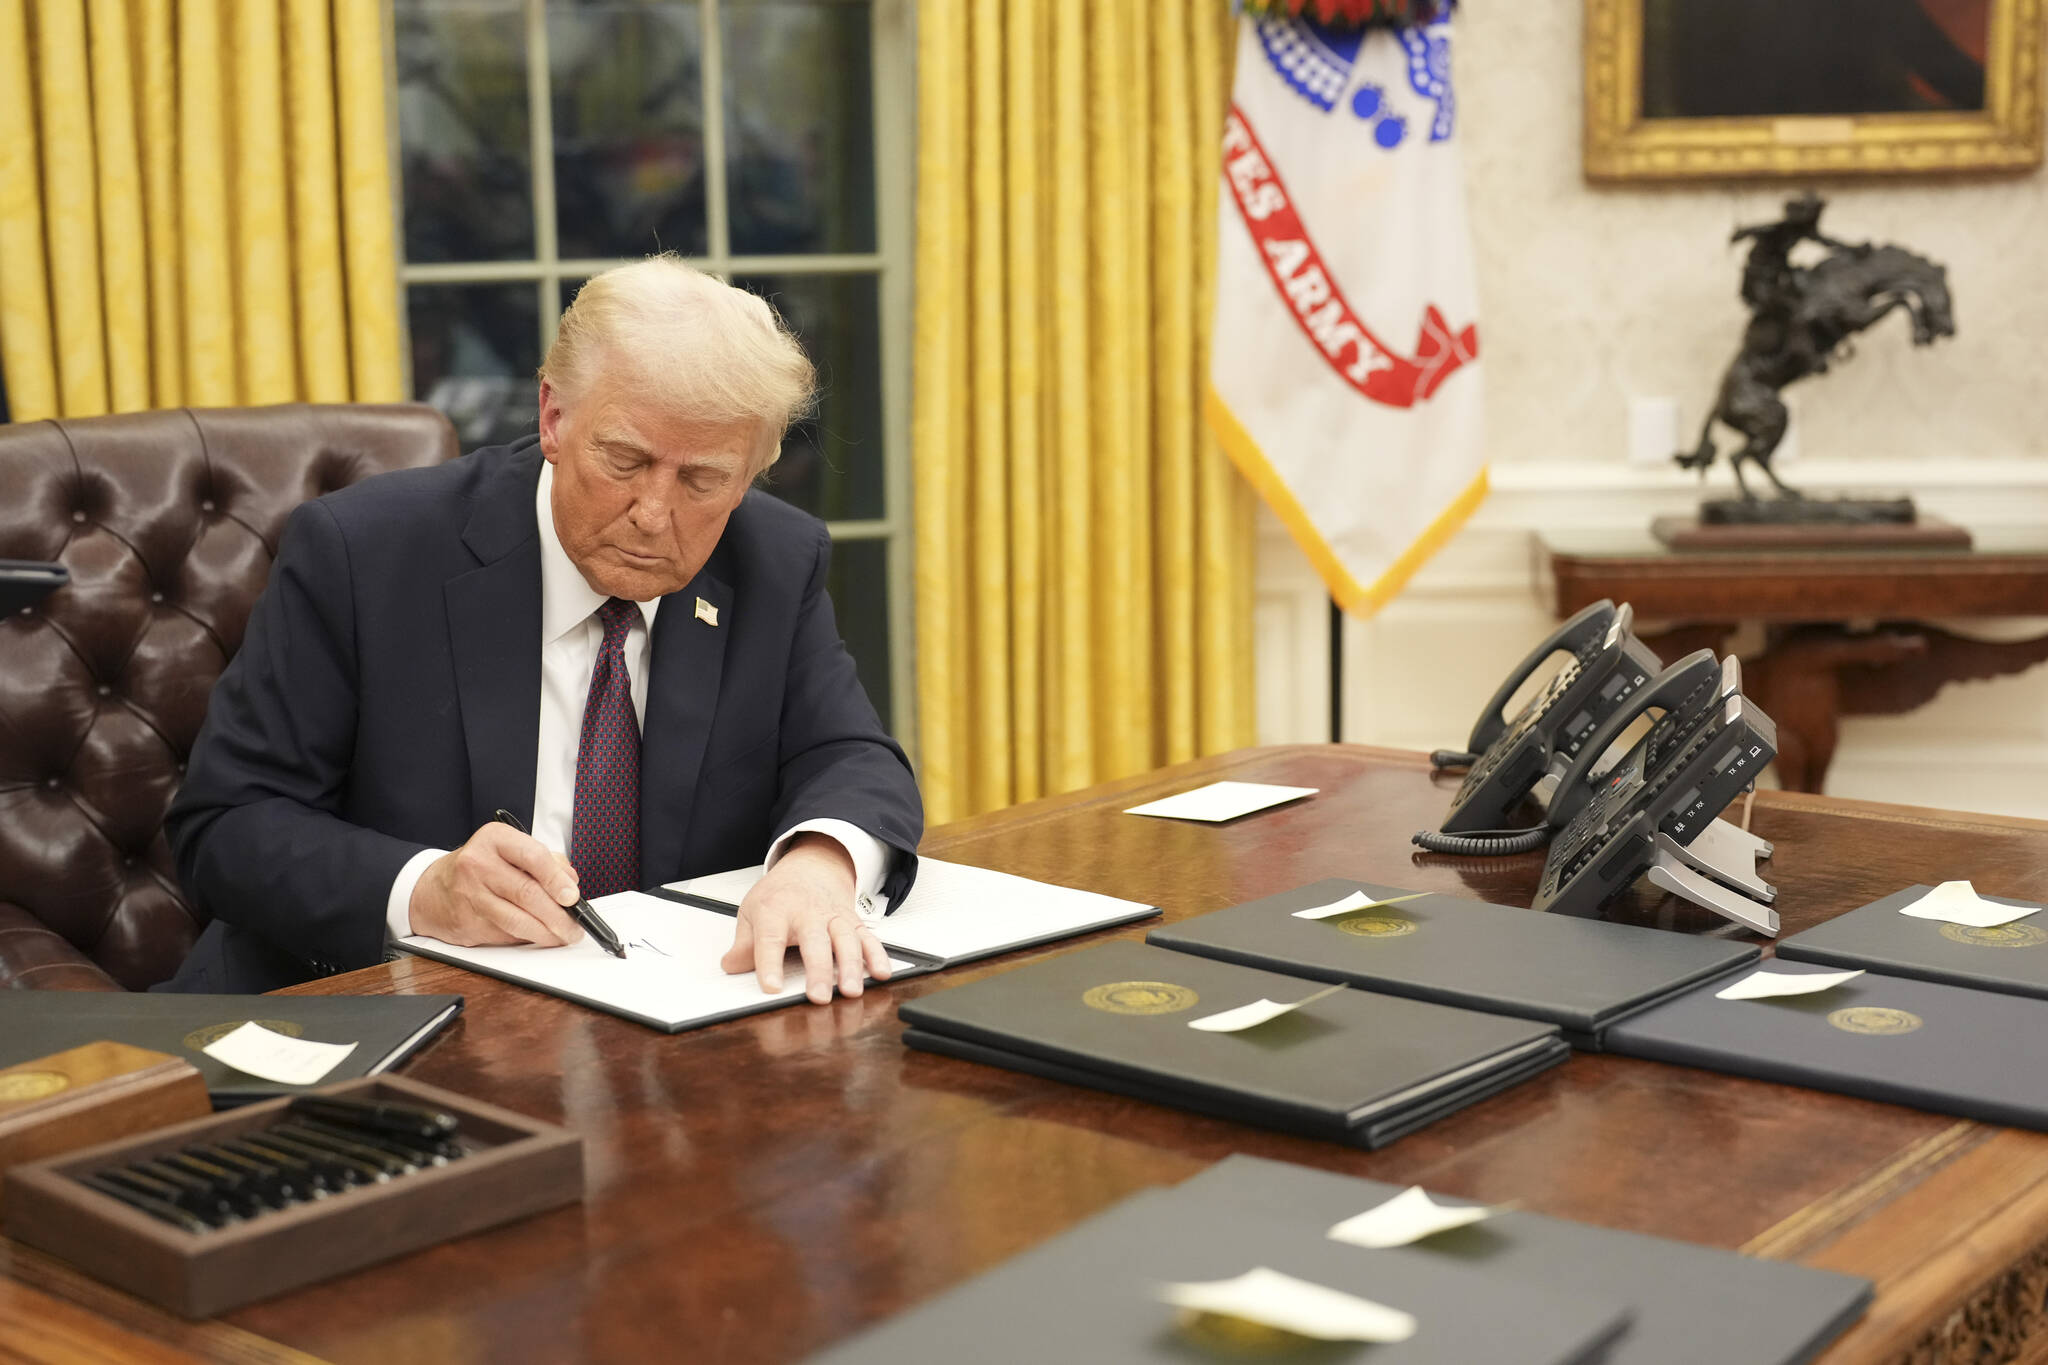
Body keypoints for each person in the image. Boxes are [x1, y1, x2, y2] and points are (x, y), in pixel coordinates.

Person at [161, 256, 921, 999]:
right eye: (624, 459)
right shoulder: (364, 553)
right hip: (376, 1018)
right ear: (553, 417)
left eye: (703, 480)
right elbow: (227, 824)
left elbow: (852, 754)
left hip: (667, 1033)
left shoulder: (773, 561)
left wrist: (819, 862)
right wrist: (425, 888)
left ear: (752, 471)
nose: (654, 515)